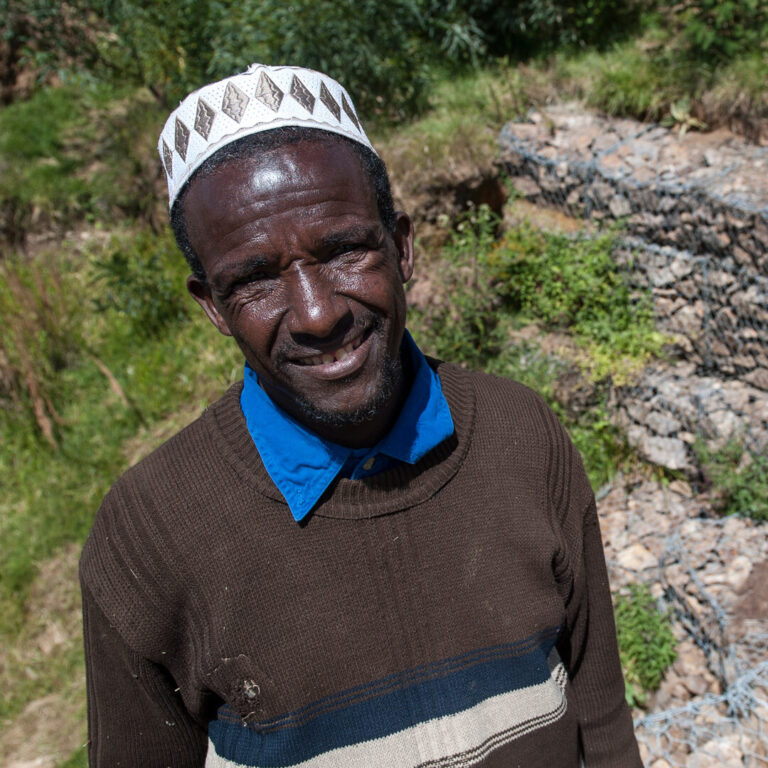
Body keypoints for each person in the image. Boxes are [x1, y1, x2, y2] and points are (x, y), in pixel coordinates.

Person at [80, 64, 641, 767]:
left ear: (402, 245)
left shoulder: (522, 436)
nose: (318, 314)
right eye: (255, 279)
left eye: (344, 250)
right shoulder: (148, 534)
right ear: (212, 306)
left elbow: (603, 723)